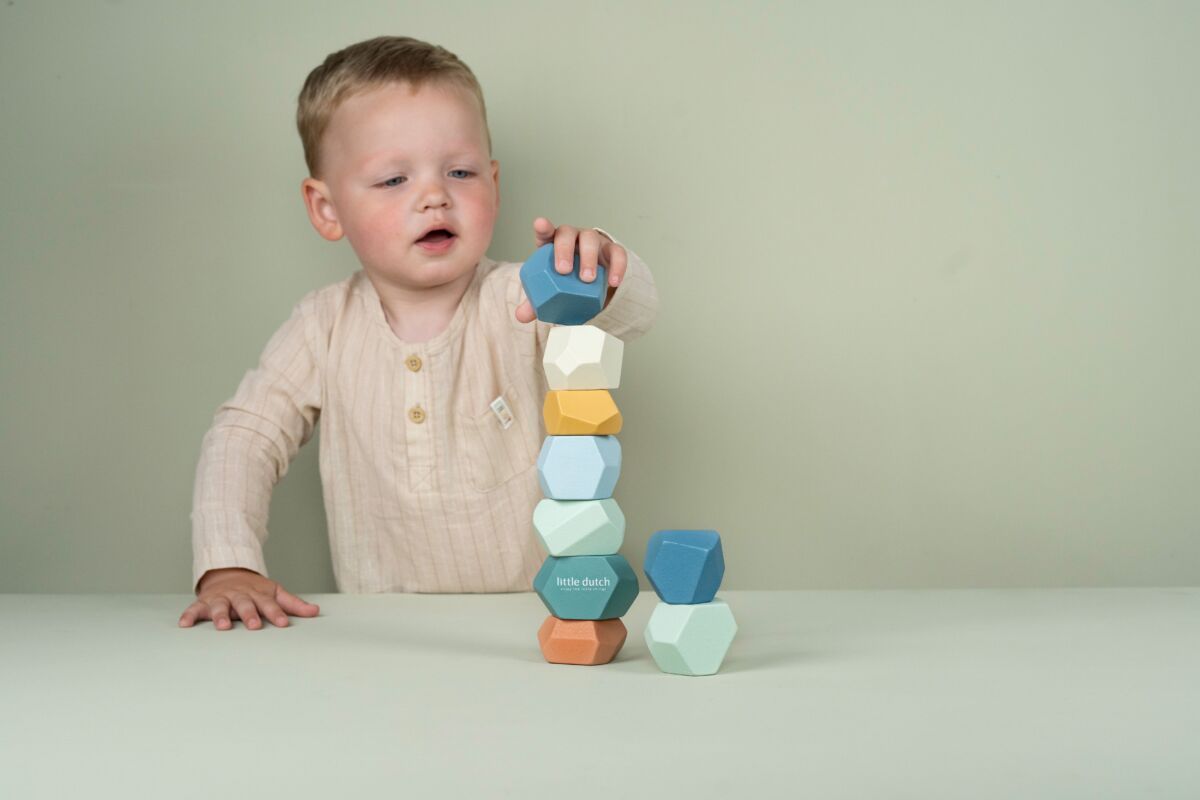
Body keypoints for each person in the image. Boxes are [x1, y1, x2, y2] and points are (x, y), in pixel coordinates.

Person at [178, 36, 658, 631]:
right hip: (386, 633)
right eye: (393, 180)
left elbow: (633, 318)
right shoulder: (322, 326)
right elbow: (244, 438)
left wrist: (602, 273)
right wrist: (227, 566)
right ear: (326, 209)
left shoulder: (525, 298)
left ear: (494, 182)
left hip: (539, 624)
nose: (434, 196)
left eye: (460, 171)